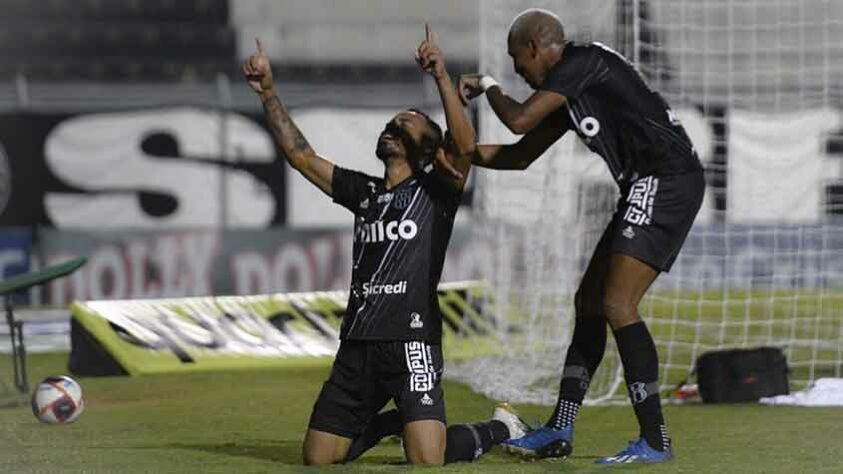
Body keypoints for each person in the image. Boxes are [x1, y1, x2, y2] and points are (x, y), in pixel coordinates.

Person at [241, 28, 527, 467]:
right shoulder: (364, 191)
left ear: (428, 147)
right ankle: (396, 421)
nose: (392, 127)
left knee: (427, 460)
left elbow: (464, 146)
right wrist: (268, 93)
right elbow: (301, 155)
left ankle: (501, 427)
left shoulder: (438, 191)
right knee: (318, 458)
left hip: (412, 341)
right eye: (391, 123)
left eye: (404, 123)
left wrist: (441, 76)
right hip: (357, 343)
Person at [447, 8, 705, 465]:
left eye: (517, 60)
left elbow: (519, 121)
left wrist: (488, 85)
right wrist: (460, 154)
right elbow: (519, 155)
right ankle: (560, 427)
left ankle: (655, 439)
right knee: (588, 303)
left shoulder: (582, 62)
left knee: (617, 304)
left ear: (534, 46)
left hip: (666, 178)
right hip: (644, 184)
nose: (518, 71)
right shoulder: (571, 91)